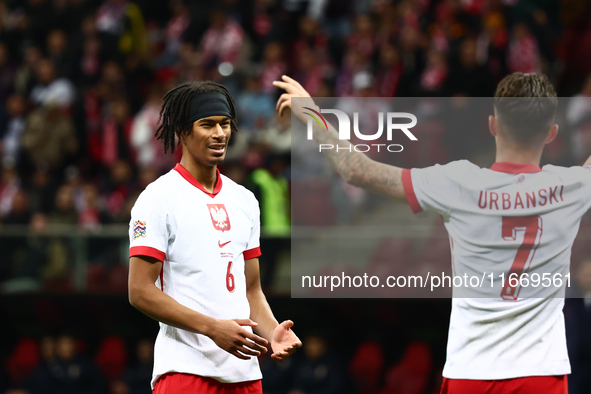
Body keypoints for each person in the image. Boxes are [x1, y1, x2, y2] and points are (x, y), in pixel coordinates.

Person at [274, 72, 585, 393]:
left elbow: (356, 170)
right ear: (551, 133)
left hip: (471, 373)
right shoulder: (574, 186)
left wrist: (309, 111)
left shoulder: (457, 181)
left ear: (492, 124)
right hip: (540, 375)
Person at [127, 80, 302, 393]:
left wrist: (272, 330)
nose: (220, 134)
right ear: (182, 130)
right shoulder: (158, 198)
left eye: (225, 125)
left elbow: (251, 289)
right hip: (185, 371)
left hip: (246, 375)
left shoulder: (245, 200)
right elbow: (140, 290)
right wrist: (212, 329)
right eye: (207, 124)